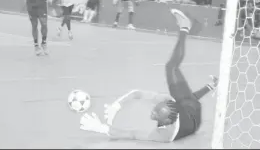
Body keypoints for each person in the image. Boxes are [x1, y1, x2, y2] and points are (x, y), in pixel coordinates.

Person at [80, 8, 219, 142]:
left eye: (156, 113)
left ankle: (185, 27)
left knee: (175, 76)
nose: (153, 111)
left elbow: (132, 134)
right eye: (156, 109)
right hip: (192, 113)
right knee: (173, 71)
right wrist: (116, 105)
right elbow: (137, 94)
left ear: (166, 121)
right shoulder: (168, 103)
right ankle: (185, 28)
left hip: (193, 120)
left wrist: (101, 128)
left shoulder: (163, 135)